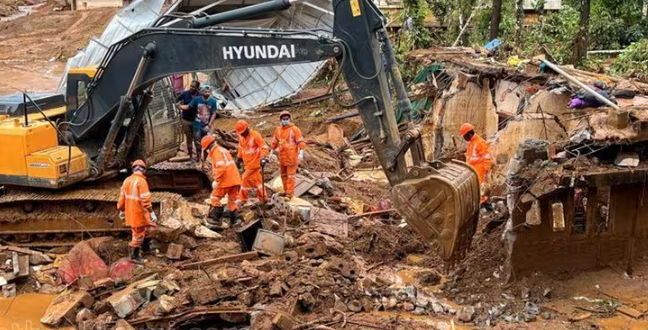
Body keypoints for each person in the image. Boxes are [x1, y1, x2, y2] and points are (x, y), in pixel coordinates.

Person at [117, 160, 158, 263]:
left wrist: (121, 209)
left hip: (135, 212)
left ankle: (146, 248)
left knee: (149, 228)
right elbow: (146, 200)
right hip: (139, 212)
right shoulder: (141, 181)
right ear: (144, 170)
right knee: (138, 233)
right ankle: (134, 255)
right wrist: (152, 212)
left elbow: (122, 198)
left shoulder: (127, 180)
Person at [202, 135, 242, 228]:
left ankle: (216, 218)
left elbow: (221, 168)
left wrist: (217, 180)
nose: (207, 151)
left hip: (225, 180)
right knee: (232, 200)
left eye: (207, 149)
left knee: (214, 197)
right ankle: (234, 220)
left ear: (209, 147)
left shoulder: (217, 152)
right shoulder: (223, 150)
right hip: (235, 179)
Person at [270, 111, 306, 200]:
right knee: (283, 175)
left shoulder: (295, 129)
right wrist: (271, 152)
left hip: (292, 157)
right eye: (283, 119)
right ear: (281, 120)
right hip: (282, 157)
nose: (285, 120)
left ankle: (289, 194)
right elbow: (275, 142)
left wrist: (301, 152)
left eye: (287, 119)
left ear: (289, 119)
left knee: (291, 176)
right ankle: (286, 191)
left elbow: (300, 141)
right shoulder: (278, 130)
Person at [180, 85, 218, 162]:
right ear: (201, 92)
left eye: (208, 92)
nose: (207, 93)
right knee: (198, 143)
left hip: (206, 125)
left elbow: (214, 113)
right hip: (197, 125)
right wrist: (179, 106)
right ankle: (199, 159)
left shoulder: (213, 101)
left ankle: (204, 160)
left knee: (207, 143)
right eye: (205, 91)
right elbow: (188, 107)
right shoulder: (197, 100)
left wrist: (209, 125)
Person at [235, 120, 270, 205]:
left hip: (255, 162)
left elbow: (264, 147)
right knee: (258, 181)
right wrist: (239, 158)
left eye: (243, 132)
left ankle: (242, 198)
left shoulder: (255, 135)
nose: (242, 134)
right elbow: (241, 148)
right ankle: (263, 198)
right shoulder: (241, 136)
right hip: (247, 163)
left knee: (244, 178)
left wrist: (263, 158)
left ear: (247, 128)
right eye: (240, 133)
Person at [459, 123, 492, 203]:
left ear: (469, 134)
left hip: (479, 171)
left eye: (464, 136)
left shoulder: (480, 142)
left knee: (480, 190)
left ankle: (484, 207)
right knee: (475, 190)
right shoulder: (471, 143)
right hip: (472, 170)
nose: (464, 138)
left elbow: (487, 157)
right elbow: (472, 156)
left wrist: (486, 172)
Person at [176, 80, 200, 160]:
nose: (191, 88)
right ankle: (191, 157)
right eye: (191, 86)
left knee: (197, 140)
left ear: (197, 88)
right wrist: (178, 105)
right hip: (185, 120)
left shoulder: (199, 96)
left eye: (193, 87)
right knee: (189, 139)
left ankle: (199, 157)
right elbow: (177, 99)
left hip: (195, 121)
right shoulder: (185, 93)